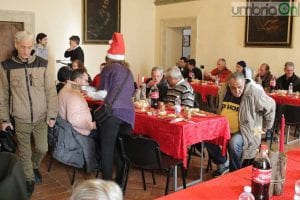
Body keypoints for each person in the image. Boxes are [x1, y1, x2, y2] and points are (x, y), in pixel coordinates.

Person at [0, 31, 58, 197]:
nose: (26, 51)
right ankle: (29, 180)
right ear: (16, 45)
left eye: (29, 47)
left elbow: (50, 91)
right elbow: (3, 95)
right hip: (20, 118)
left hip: (41, 117)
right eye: (23, 47)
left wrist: (52, 114)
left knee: (42, 148)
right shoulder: (6, 66)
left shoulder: (43, 63)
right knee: (24, 152)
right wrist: (4, 119)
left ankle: (33, 166)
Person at [205, 72, 276, 177]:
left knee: (234, 143)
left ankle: (234, 173)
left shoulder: (254, 92)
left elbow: (271, 106)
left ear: (244, 83)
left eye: (240, 87)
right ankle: (223, 163)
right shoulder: (224, 89)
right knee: (206, 136)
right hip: (224, 128)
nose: (237, 91)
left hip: (246, 130)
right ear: (229, 85)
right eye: (233, 88)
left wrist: (265, 128)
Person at [94, 32, 135, 186]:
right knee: (119, 149)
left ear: (109, 58)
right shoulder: (128, 72)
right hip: (128, 117)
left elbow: (102, 94)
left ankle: (106, 187)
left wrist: (89, 91)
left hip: (113, 114)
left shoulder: (108, 69)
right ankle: (119, 182)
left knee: (107, 150)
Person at [58, 68, 97, 136]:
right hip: (78, 134)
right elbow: (73, 120)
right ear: (78, 80)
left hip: (71, 131)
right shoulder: (73, 94)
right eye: (86, 81)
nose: (87, 84)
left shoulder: (66, 89)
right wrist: (92, 126)